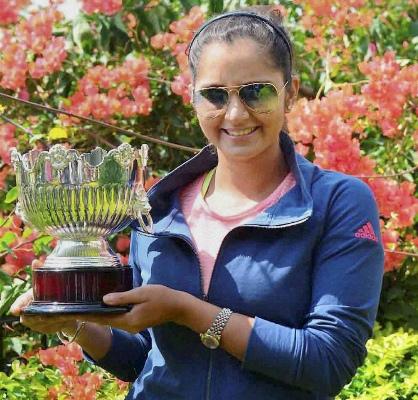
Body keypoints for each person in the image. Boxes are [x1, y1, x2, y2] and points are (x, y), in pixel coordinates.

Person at [11, 6, 384, 400]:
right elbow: (143, 360)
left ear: (290, 92)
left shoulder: (337, 202)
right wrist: (72, 322)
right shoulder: (158, 207)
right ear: (193, 98)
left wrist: (187, 311)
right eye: (215, 95)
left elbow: (329, 361)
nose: (236, 113)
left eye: (256, 91)